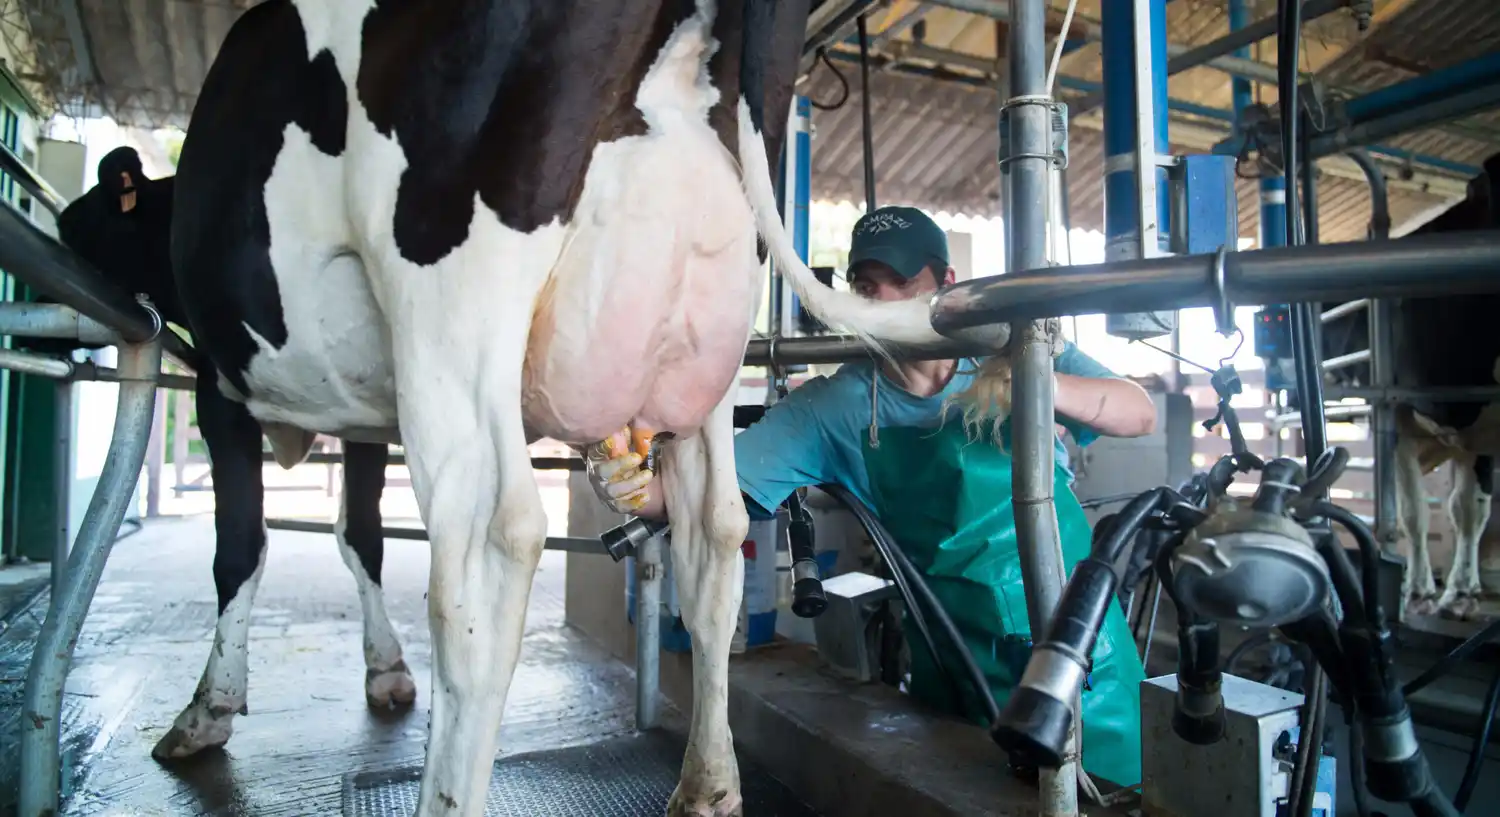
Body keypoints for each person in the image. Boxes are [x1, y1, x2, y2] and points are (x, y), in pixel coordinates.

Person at [584, 205, 1156, 789]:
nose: (883, 302)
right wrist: (621, 471)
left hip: (1077, 643)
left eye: (902, 283)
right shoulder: (838, 406)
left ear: (946, 284)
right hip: (950, 650)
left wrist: (1041, 384)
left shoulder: (1013, 349)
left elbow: (1138, 411)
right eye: (865, 287)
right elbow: (698, 495)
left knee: (1119, 794)